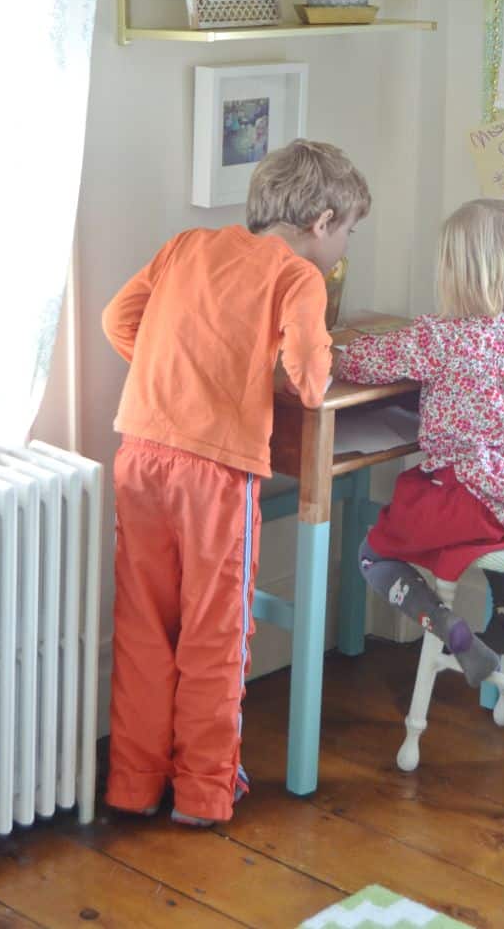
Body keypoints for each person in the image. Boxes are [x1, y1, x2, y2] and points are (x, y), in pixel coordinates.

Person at [102, 140, 370, 827]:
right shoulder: (298, 277)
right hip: (215, 475)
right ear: (322, 220)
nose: (341, 248)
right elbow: (311, 378)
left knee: (143, 626)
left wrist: (179, 376)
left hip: (140, 452)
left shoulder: (185, 245)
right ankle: (201, 791)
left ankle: (132, 784)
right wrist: (257, 381)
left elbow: (117, 321)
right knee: (214, 634)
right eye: (346, 233)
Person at [335, 199, 504, 687]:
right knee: (488, 530)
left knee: (372, 554)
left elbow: (361, 364)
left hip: (466, 497)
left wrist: (336, 352)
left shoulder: (440, 338)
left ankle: (447, 626)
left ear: (455, 272)